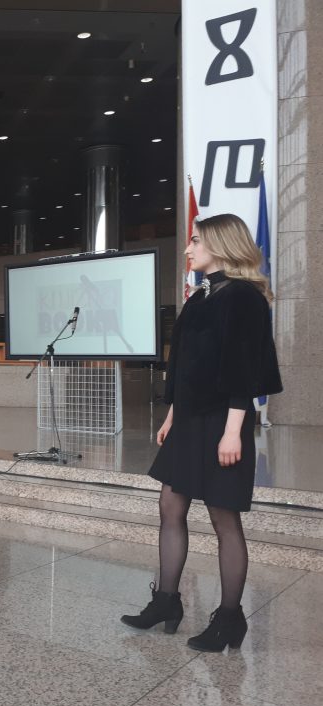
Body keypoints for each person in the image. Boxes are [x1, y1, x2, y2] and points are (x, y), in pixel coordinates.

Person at [121, 214, 282, 652]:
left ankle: (230, 619)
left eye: (195, 241)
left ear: (221, 244)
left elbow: (243, 371)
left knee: (222, 517)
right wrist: (172, 415)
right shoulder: (199, 297)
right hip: (190, 420)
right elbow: (185, 366)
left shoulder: (244, 297)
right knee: (169, 505)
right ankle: (166, 601)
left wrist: (233, 432)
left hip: (223, 421)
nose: (188, 248)